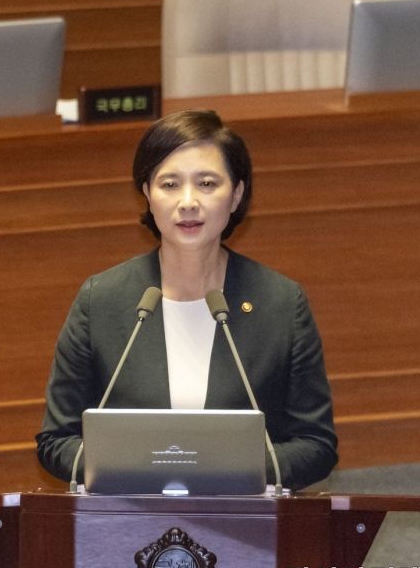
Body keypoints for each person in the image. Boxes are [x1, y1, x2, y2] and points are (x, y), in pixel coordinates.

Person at [36, 109, 338, 491]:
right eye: (170, 184)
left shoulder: (281, 303)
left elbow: (317, 445)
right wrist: (142, 466)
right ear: (147, 193)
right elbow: (55, 441)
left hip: (243, 520)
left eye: (208, 183)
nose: (188, 202)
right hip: (129, 517)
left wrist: (218, 466)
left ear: (237, 194)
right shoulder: (102, 300)